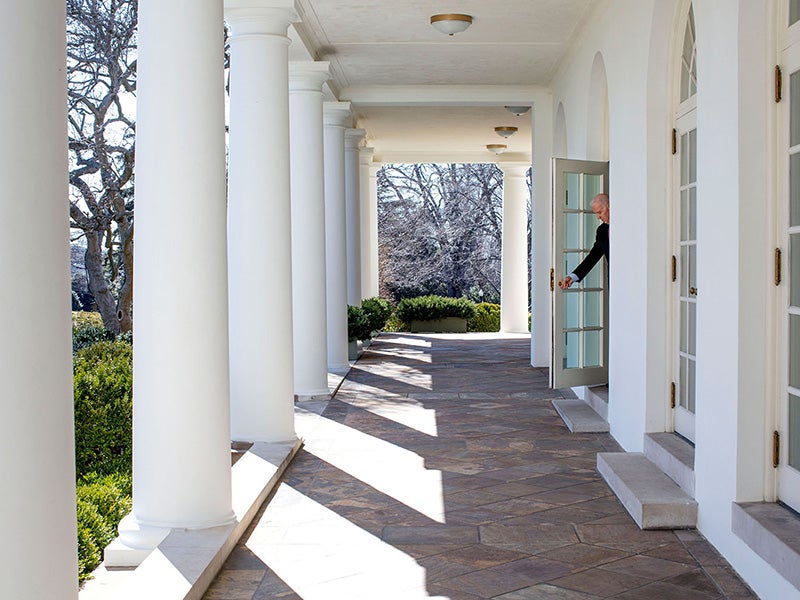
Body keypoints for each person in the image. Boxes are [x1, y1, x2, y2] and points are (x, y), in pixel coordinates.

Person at [558, 193, 609, 289]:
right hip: (614, 282)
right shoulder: (601, 231)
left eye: (600, 212)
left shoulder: (626, 225)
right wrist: (573, 277)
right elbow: (593, 257)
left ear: (609, 206)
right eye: (596, 214)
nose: (598, 217)